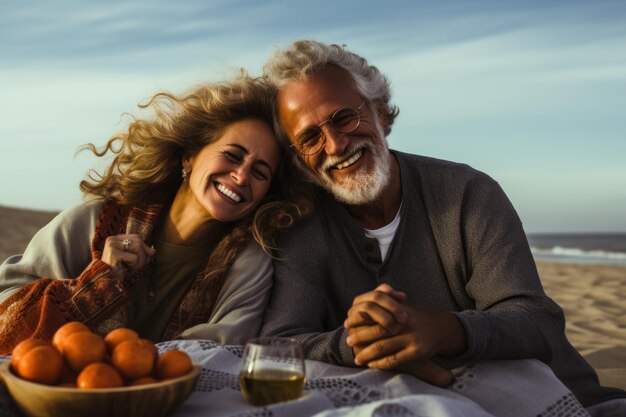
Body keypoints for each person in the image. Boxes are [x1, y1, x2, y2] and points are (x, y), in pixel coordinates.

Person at [258, 39, 626, 414]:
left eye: (344, 118)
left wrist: (448, 331)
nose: (335, 144)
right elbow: (281, 344)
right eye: (310, 138)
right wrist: (364, 341)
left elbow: (537, 321)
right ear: (298, 159)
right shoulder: (301, 224)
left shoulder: (467, 192)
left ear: (382, 112)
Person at [0, 73, 311, 354]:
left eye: (260, 172)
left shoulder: (248, 261)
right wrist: (96, 284)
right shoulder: (96, 221)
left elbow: (223, 351)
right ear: (190, 155)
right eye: (232, 155)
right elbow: (7, 305)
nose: (241, 177)